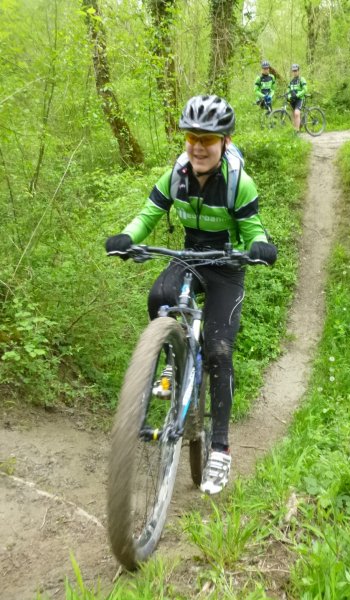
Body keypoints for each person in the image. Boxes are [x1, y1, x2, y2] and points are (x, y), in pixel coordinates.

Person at [105, 95, 277, 495]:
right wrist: (129, 237)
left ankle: (220, 448)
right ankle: (170, 357)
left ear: (225, 142)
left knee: (218, 349)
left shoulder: (239, 183)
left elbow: (253, 230)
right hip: (188, 255)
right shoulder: (176, 175)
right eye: (191, 137)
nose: (198, 146)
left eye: (207, 138)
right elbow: (149, 214)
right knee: (159, 297)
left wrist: (260, 246)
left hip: (226, 267)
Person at [287, 64, 308, 135]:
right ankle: (296, 128)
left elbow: (305, 90)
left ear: (298, 71)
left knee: (296, 113)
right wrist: (289, 96)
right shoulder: (291, 81)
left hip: (300, 99)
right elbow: (288, 90)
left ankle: (297, 131)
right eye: (293, 71)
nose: (294, 72)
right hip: (293, 100)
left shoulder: (302, 79)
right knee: (293, 115)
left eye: (296, 70)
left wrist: (297, 95)